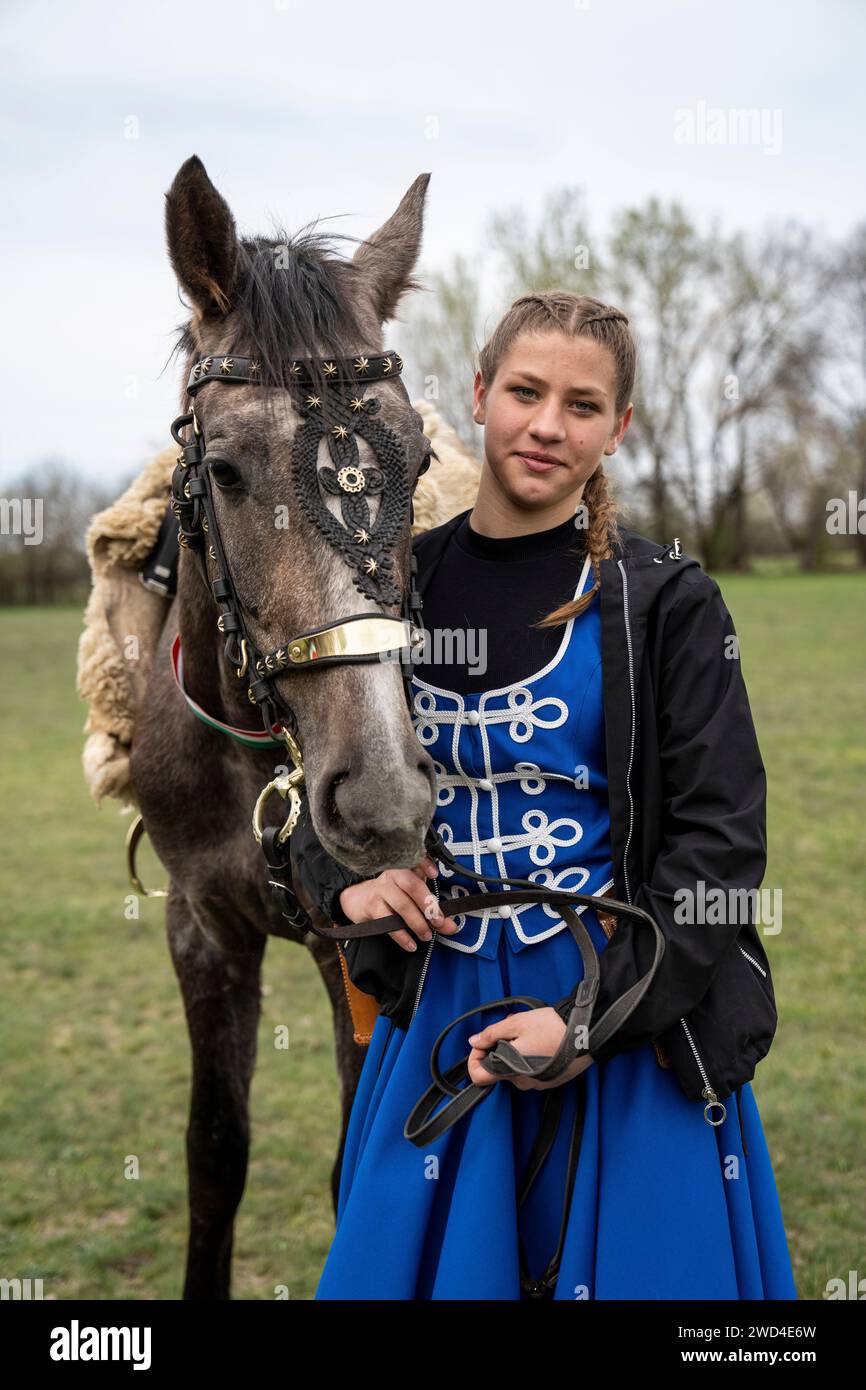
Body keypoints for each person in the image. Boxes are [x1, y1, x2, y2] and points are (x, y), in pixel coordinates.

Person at [293, 292, 798, 1300]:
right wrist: (340, 885)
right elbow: (314, 794)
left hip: (620, 1009)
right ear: (478, 395)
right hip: (441, 1018)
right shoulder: (387, 594)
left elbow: (717, 847)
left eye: (580, 405)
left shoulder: (664, 601)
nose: (545, 425)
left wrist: (586, 1023)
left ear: (617, 429)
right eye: (523, 391)